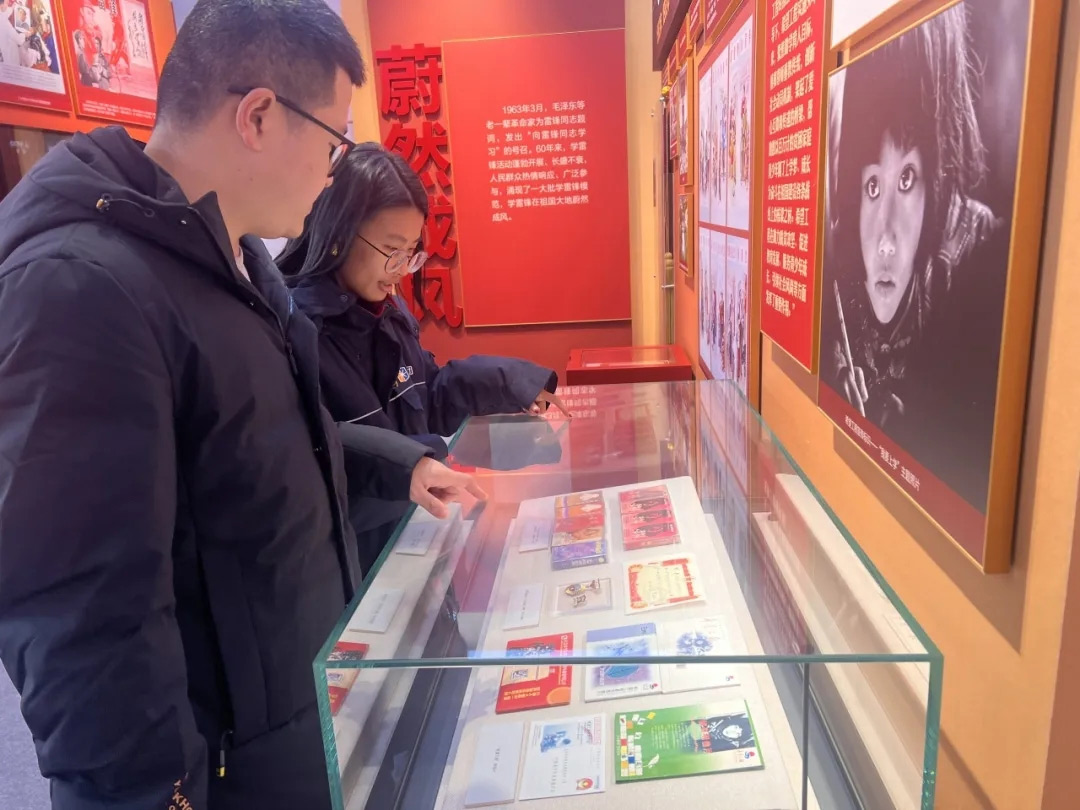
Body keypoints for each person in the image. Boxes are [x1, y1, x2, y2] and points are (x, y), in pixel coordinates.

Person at [0, 2, 483, 809]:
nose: (333, 173)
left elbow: (268, 441)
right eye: (332, 141)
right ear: (259, 116)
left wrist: (400, 466)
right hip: (219, 773)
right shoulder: (79, 288)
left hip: (291, 716)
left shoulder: (234, 260)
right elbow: (83, 618)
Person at [278, 144, 565, 572]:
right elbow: (311, 459)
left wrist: (515, 382)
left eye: (411, 252)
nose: (400, 269)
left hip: (415, 538)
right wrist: (407, 467)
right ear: (339, 234)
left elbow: (430, 395)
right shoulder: (293, 332)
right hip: (355, 566)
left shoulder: (388, 312)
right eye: (391, 249)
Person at [822, 2, 1004, 509]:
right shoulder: (837, 259)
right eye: (871, 185)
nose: (884, 241)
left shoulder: (978, 259)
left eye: (907, 179)